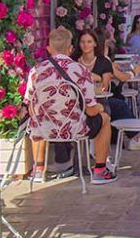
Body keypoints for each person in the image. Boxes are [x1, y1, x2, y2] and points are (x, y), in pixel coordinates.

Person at [24, 27, 116, 184]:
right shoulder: (81, 71)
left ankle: (38, 169)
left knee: (36, 119)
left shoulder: (36, 71)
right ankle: (100, 170)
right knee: (105, 118)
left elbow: (30, 105)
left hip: (45, 128)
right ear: (71, 48)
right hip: (73, 128)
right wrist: (101, 108)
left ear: (48, 48)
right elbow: (91, 111)